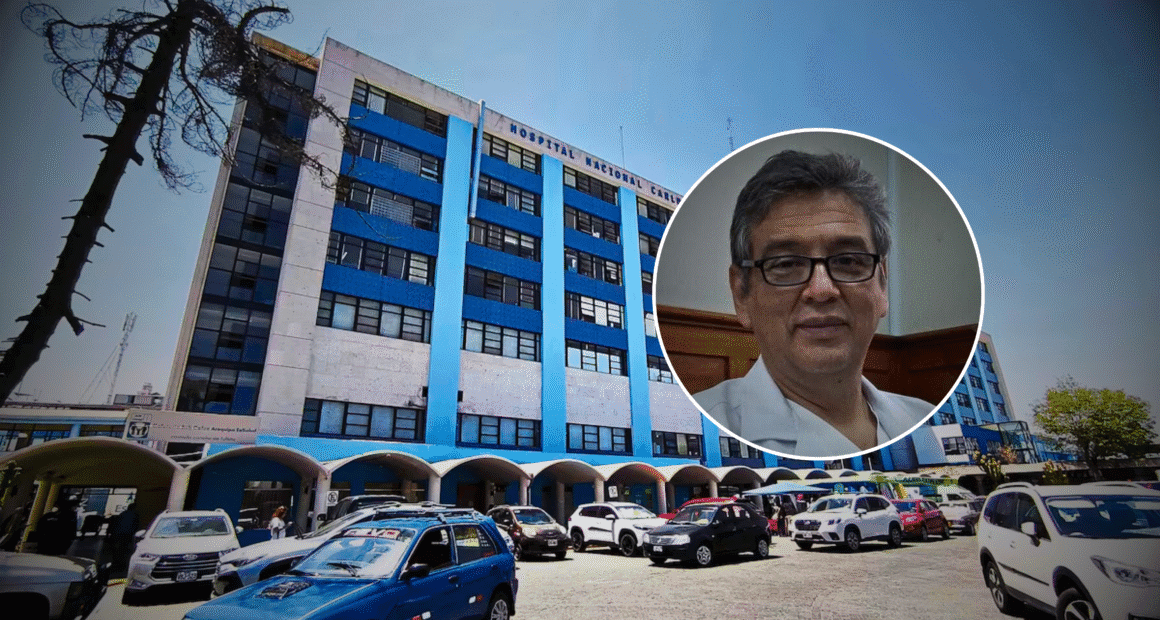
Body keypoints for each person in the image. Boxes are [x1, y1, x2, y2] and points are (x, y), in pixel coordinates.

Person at [694, 150, 932, 458]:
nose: (821, 290)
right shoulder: (700, 424)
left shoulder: (924, 420)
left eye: (848, 260)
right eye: (786, 263)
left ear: (882, 284)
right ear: (742, 294)